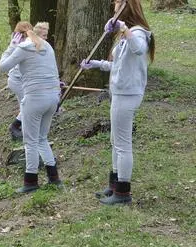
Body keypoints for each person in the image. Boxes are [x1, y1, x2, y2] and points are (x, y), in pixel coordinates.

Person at [80, 0, 155, 205]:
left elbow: (139, 49)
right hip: (119, 93)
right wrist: (95, 64)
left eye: (117, 3)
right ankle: (113, 185)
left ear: (126, 7)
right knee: (115, 141)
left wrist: (124, 29)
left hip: (128, 95)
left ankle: (123, 192)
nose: (114, 7)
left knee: (122, 144)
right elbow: (118, 66)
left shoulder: (138, 32)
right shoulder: (126, 34)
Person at [0, 26, 62, 193]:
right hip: (53, 98)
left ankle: (31, 181)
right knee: (42, 138)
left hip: (35, 98)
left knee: (31, 141)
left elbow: (2, 68)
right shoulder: (47, 46)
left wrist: (11, 46)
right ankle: (54, 178)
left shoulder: (23, 48)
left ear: (18, 36)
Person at [6, 21, 33, 140]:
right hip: (16, 80)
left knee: (25, 105)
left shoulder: (29, 44)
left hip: (23, 80)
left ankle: (17, 129)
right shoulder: (18, 47)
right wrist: (13, 46)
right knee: (29, 104)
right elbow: (5, 63)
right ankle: (15, 127)